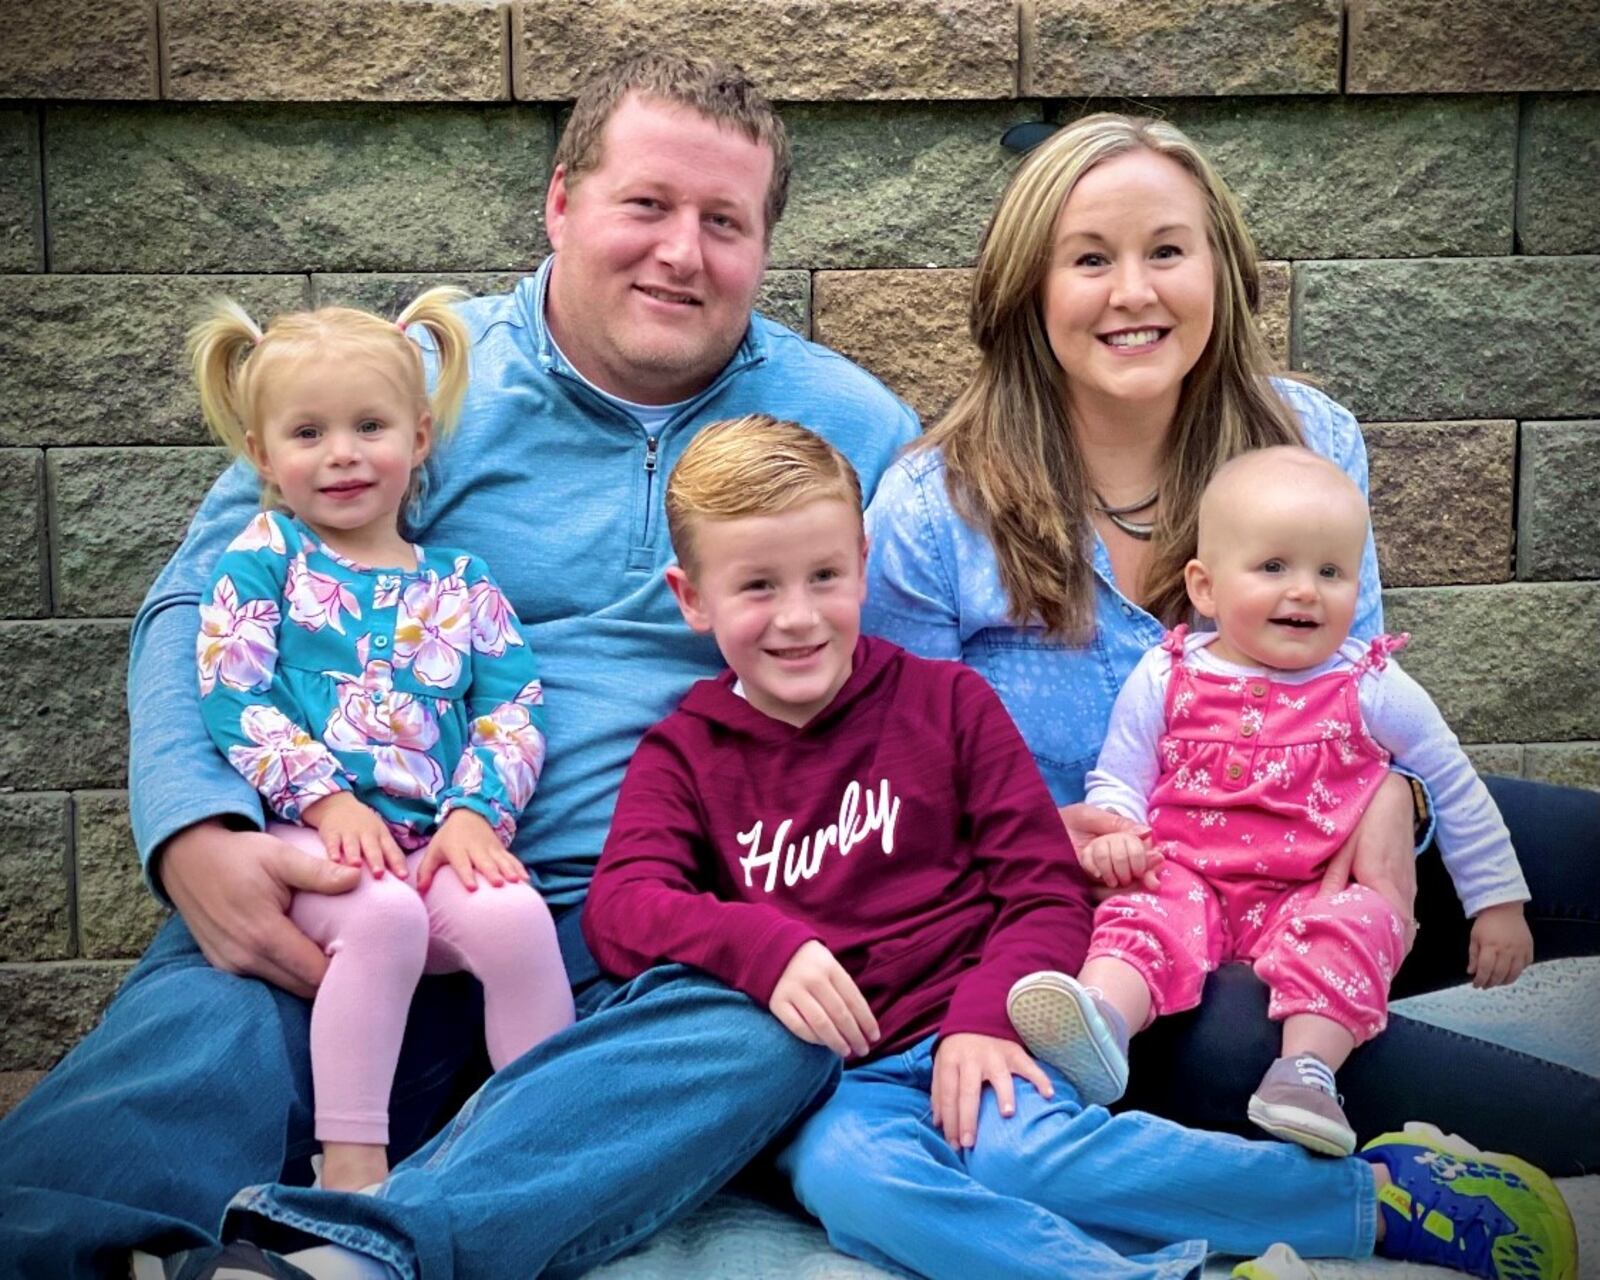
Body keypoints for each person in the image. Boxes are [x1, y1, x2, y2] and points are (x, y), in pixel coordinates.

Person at [0, 54, 919, 1280]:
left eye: (724, 223)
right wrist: (194, 831)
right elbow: (199, 602)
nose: (681, 254)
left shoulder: (848, 426)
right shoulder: (409, 386)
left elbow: (904, 690)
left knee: (776, 1022)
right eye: (645, 205)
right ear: (560, 203)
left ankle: (351, 1252)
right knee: (195, 1041)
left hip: (628, 938)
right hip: (350, 883)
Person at [583, 416, 1577, 1280]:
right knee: (851, 1179)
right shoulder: (687, 750)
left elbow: (1043, 890)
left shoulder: (943, 703)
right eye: (757, 585)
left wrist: (981, 1017)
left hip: (978, 1024)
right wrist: (762, 948)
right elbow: (623, 904)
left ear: (862, 558)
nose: (797, 615)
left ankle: (1375, 1200)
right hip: (832, 1078)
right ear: (690, 595)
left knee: (1020, 1157)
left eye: (825, 576)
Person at [861, 110, 1600, 1172]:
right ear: (1029, 286)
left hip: (1324, 852)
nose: (1134, 291)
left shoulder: (1305, 441)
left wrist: (1400, 797)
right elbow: (901, 802)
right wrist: (1042, 836)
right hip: (1130, 935)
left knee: (1570, 849)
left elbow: (1363, 678)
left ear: (1221, 265)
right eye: (1088, 259)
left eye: (1166, 249)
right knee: (1256, 1059)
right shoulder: (936, 513)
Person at [1005, 446, 1533, 1158]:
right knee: (1141, 910)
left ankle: (1306, 1072)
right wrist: (1117, 837)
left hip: (1313, 887)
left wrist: (1497, 903)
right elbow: (1118, 779)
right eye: (1275, 567)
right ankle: (1098, 1022)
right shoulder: (1167, 674)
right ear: (1206, 586)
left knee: (1361, 923)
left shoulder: (1371, 685)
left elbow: (1453, 782)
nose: (1306, 592)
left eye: (1330, 572)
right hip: (1186, 873)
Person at [188, 290, 574, 1193]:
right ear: (262, 455)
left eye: (370, 425)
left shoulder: (462, 581)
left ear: (420, 438)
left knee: (517, 917)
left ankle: (534, 1149)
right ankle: (353, 1166)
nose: (344, 455)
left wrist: (479, 813)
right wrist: (326, 798)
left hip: (429, 838)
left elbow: (513, 700)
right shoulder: (265, 558)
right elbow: (232, 689)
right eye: (309, 433)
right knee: (385, 918)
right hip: (311, 838)